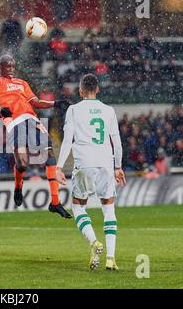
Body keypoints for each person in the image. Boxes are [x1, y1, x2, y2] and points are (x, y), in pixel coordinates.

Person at [0, 54, 72, 219]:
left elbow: (35, 101)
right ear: (0, 67)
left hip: (32, 119)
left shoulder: (22, 83)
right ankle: (18, 186)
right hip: (14, 122)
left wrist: (55, 103)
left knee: (49, 155)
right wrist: (0, 109)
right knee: (22, 164)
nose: (11, 69)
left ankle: (55, 202)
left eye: (13, 66)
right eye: (8, 66)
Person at [55, 74, 126, 271]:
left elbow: (68, 140)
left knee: (78, 206)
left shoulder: (73, 110)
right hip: (105, 162)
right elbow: (116, 142)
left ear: (80, 91)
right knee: (109, 207)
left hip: (84, 162)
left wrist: (59, 166)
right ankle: (111, 258)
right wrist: (118, 167)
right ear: (98, 89)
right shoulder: (109, 110)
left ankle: (94, 242)